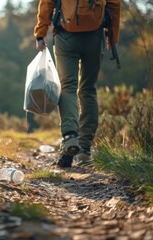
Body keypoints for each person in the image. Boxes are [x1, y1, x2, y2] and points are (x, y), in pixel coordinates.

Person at [33, 0, 121, 167]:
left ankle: (70, 137)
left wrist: (40, 32)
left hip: (66, 35)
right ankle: (85, 149)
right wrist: (113, 35)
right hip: (94, 36)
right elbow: (114, 4)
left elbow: (47, 2)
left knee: (67, 87)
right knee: (88, 89)